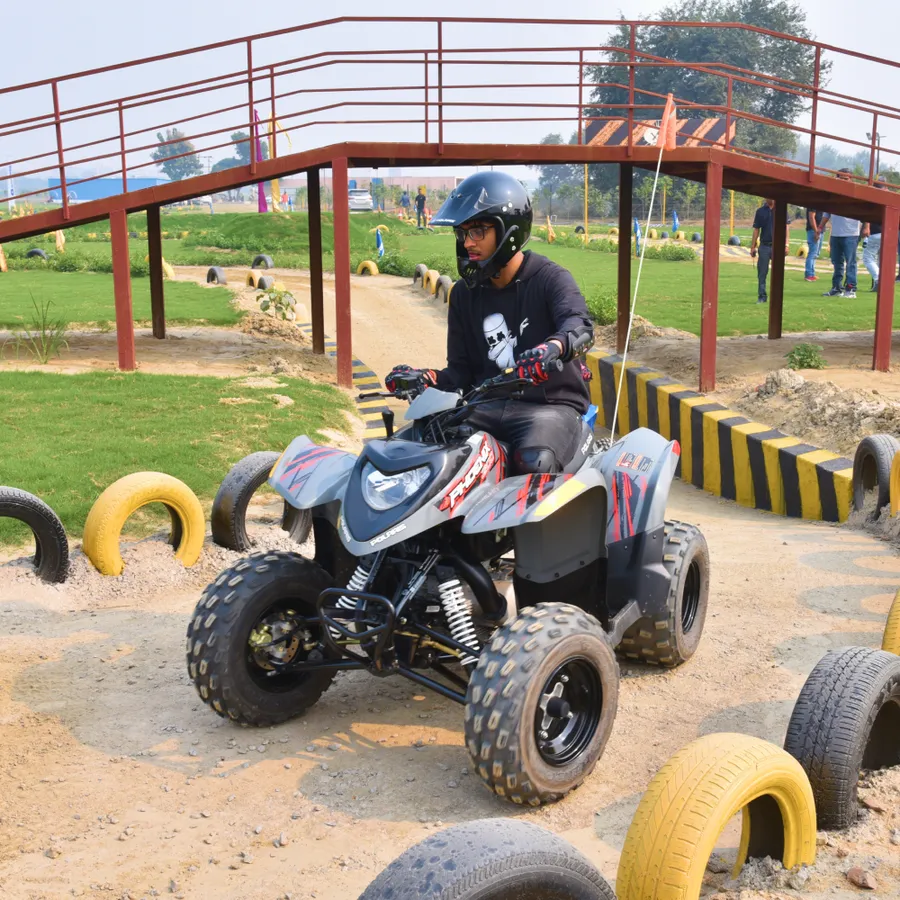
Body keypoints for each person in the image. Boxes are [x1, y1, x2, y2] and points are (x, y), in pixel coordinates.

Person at [384, 171, 595, 476]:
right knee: (425, 443)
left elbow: (580, 326)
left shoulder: (551, 279)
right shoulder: (463, 295)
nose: (468, 243)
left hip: (549, 407)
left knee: (534, 460)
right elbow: (461, 372)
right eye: (463, 233)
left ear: (508, 232)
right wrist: (425, 377)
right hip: (486, 406)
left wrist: (553, 348)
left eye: (478, 231)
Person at [819, 170, 861, 299]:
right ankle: (837, 288)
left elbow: (864, 211)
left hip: (851, 233)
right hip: (836, 234)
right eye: (840, 178)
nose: (843, 181)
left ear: (850, 180)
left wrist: (867, 227)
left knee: (851, 262)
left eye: (846, 179)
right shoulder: (833, 194)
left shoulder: (856, 193)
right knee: (837, 262)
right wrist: (820, 226)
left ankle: (851, 289)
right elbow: (827, 213)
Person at [749, 198, 790, 304]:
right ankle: (762, 296)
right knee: (762, 273)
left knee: (778, 273)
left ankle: (777, 297)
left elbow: (786, 228)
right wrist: (752, 246)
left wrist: (786, 244)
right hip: (764, 246)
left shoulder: (782, 209)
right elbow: (756, 229)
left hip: (778, 245)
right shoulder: (760, 211)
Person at [804, 207, 825, 281]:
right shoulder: (812, 203)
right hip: (814, 230)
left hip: (820, 230)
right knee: (812, 253)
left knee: (816, 254)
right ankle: (809, 274)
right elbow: (811, 217)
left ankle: (812, 274)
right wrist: (816, 231)